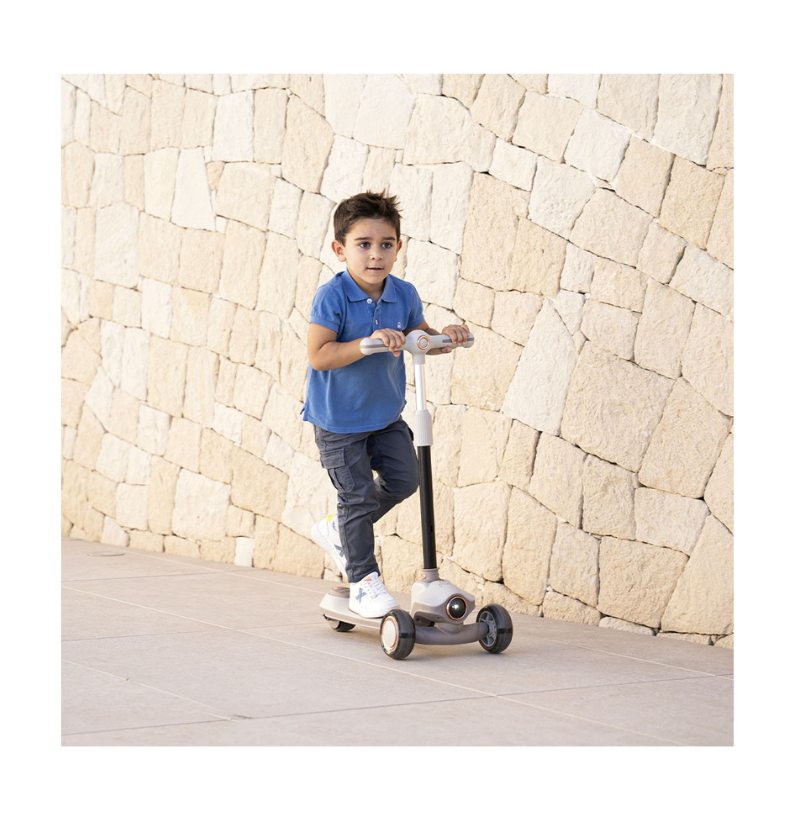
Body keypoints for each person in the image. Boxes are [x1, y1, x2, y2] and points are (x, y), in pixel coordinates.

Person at [302, 191, 470, 618]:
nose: (376, 254)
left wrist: (446, 338)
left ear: (398, 248)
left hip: (384, 416)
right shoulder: (333, 296)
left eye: (386, 244)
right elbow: (319, 355)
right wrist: (367, 343)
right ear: (340, 249)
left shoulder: (403, 294)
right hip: (339, 421)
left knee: (405, 478)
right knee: (357, 498)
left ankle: (340, 530)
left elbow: (420, 337)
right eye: (364, 244)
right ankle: (363, 581)